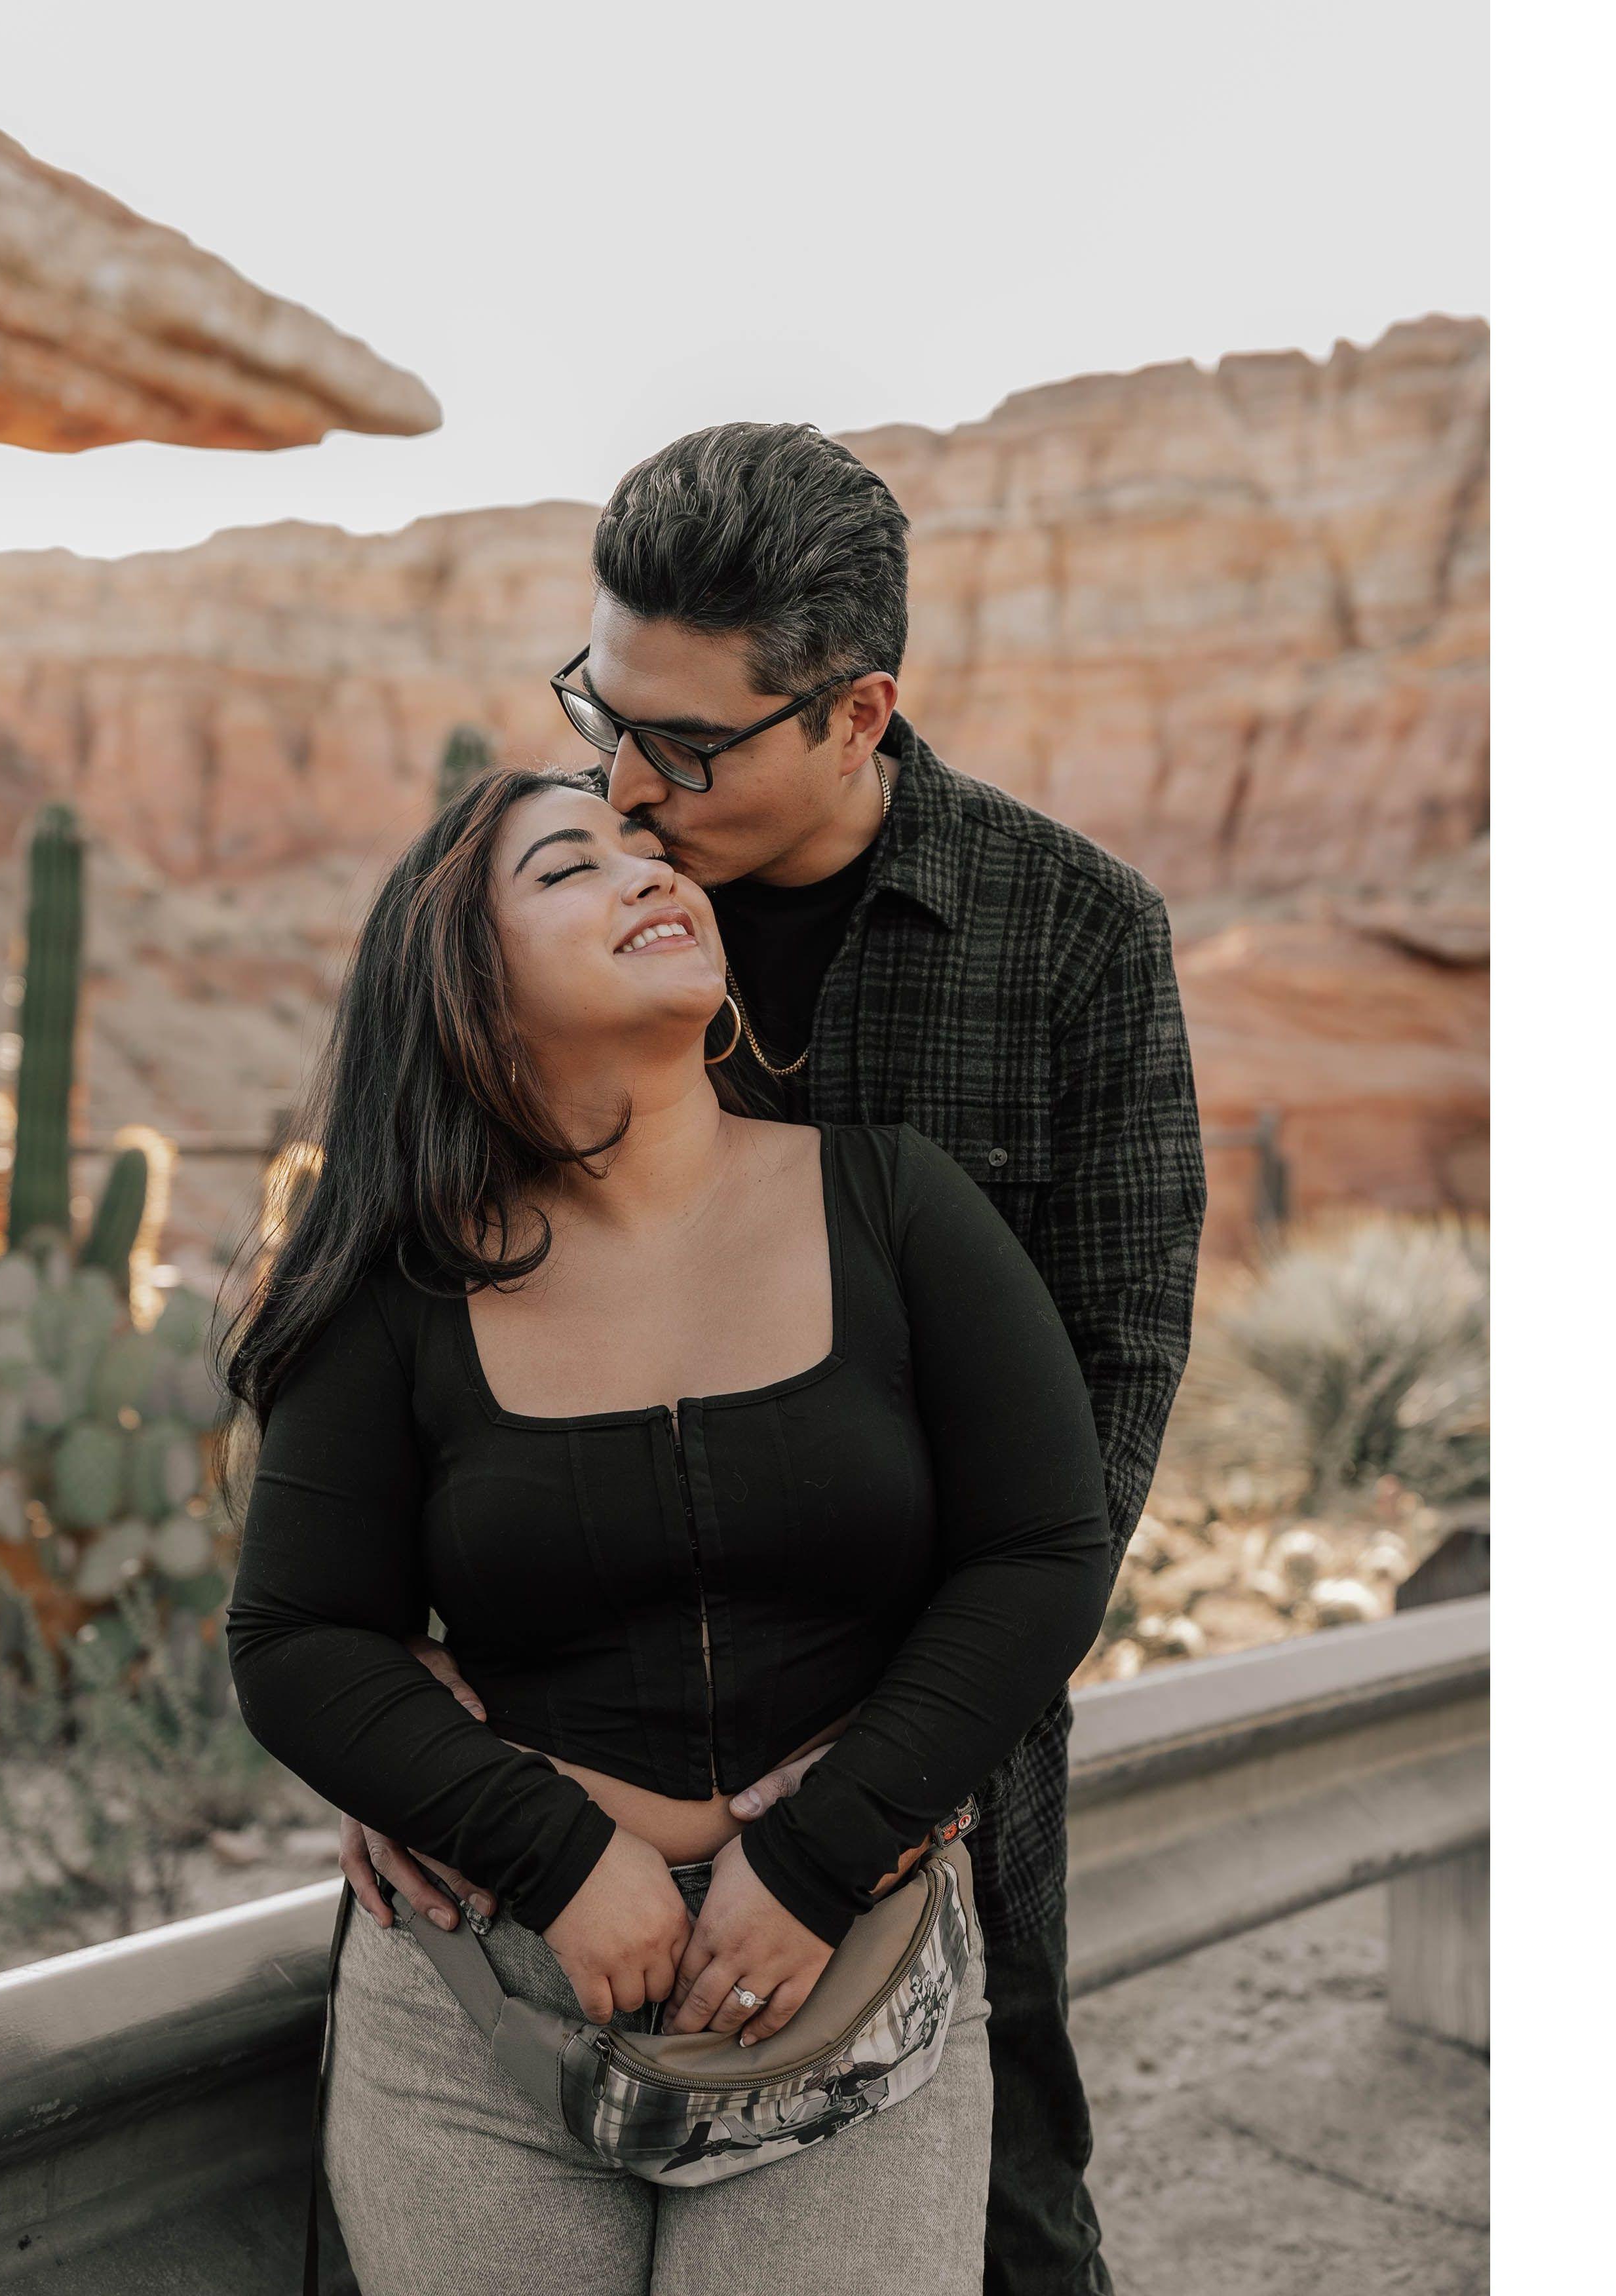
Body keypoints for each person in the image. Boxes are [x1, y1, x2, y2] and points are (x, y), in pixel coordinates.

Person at [332, 423, 1208, 2296]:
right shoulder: (563, 915)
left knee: (1016, 2236)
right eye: (601, 711)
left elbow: (1109, 1401)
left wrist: (867, 1788)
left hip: (930, 1783)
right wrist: (391, 1711)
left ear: (856, 711)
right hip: (550, 1811)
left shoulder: (1070, 938)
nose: (626, 786)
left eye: (688, 743)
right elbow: (397, 1308)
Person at [223, 768, 1116, 2296]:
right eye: (570, 868)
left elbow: (1043, 1552)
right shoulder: (394, 1288)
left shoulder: (895, 1202)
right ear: (468, 987)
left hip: (844, 1977)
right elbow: (298, 1636)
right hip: (484, 2008)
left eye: (651, 851)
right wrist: (558, 1858)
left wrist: (821, 1857)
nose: (653, 875)